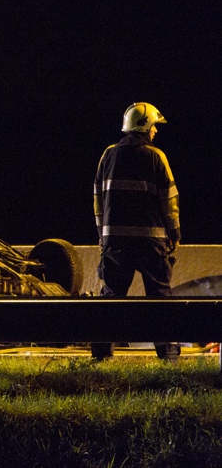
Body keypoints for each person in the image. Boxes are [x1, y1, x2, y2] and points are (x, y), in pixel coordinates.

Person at [92, 102, 181, 362]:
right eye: (154, 126)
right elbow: (169, 200)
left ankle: (101, 357)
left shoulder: (108, 156)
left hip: (116, 242)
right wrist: (174, 233)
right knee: (160, 299)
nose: (156, 131)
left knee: (111, 299)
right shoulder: (156, 157)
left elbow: (98, 199)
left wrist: (103, 235)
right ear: (144, 126)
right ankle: (169, 358)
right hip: (150, 242)